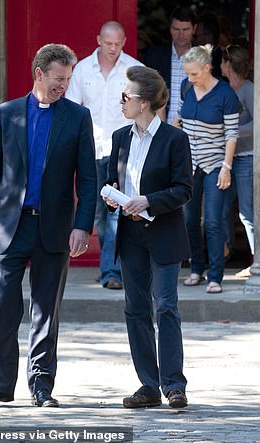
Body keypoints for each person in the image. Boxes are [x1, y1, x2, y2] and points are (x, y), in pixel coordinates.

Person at [0, 44, 97, 406]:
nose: (64, 86)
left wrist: (82, 226)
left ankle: (42, 386)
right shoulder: (5, 114)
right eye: (59, 79)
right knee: (5, 308)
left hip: (55, 229)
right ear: (39, 74)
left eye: (68, 80)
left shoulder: (77, 117)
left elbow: (88, 179)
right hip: (9, 228)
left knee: (46, 311)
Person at [103, 66, 193, 409]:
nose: (121, 101)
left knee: (166, 306)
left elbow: (184, 189)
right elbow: (114, 180)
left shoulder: (175, 139)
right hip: (130, 235)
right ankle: (148, 385)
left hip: (164, 232)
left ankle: (174, 385)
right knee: (135, 309)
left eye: (126, 96)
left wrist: (149, 202)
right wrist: (113, 196)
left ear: (144, 102)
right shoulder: (119, 137)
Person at [66, 21, 143, 290]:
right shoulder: (82, 70)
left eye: (118, 44)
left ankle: (111, 271)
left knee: (115, 212)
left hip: (123, 152)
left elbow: (146, 110)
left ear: (123, 42)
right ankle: (109, 267)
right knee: (98, 210)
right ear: (99, 39)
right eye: (108, 43)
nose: (113, 48)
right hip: (92, 150)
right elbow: (73, 109)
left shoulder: (134, 70)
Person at [178, 45, 239, 293]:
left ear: (206, 68)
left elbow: (232, 134)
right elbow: (180, 121)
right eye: (187, 74)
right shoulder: (186, 87)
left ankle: (215, 276)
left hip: (215, 163)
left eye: (194, 74)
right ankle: (196, 269)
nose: (190, 79)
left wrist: (227, 167)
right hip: (189, 164)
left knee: (213, 221)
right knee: (189, 219)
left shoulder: (225, 94)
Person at [221, 45, 254, 278]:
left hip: (245, 158)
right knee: (221, 209)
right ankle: (225, 251)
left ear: (228, 63)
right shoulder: (224, 89)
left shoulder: (249, 89)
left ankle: (257, 261)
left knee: (246, 213)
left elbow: (257, 124)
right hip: (227, 160)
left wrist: (232, 131)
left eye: (221, 61)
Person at [144, 7, 195, 124]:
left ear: (194, 29)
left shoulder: (203, 58)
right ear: (170, 28)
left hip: (194, 129)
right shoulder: (155, 56)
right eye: (176, 29)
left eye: (185, 29)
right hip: (160, 126)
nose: (181, 35)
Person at [193, 12, 223, 79]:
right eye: (198, 35)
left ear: (214, 34)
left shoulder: (222, 60)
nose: (201, 39)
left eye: (205, 34)